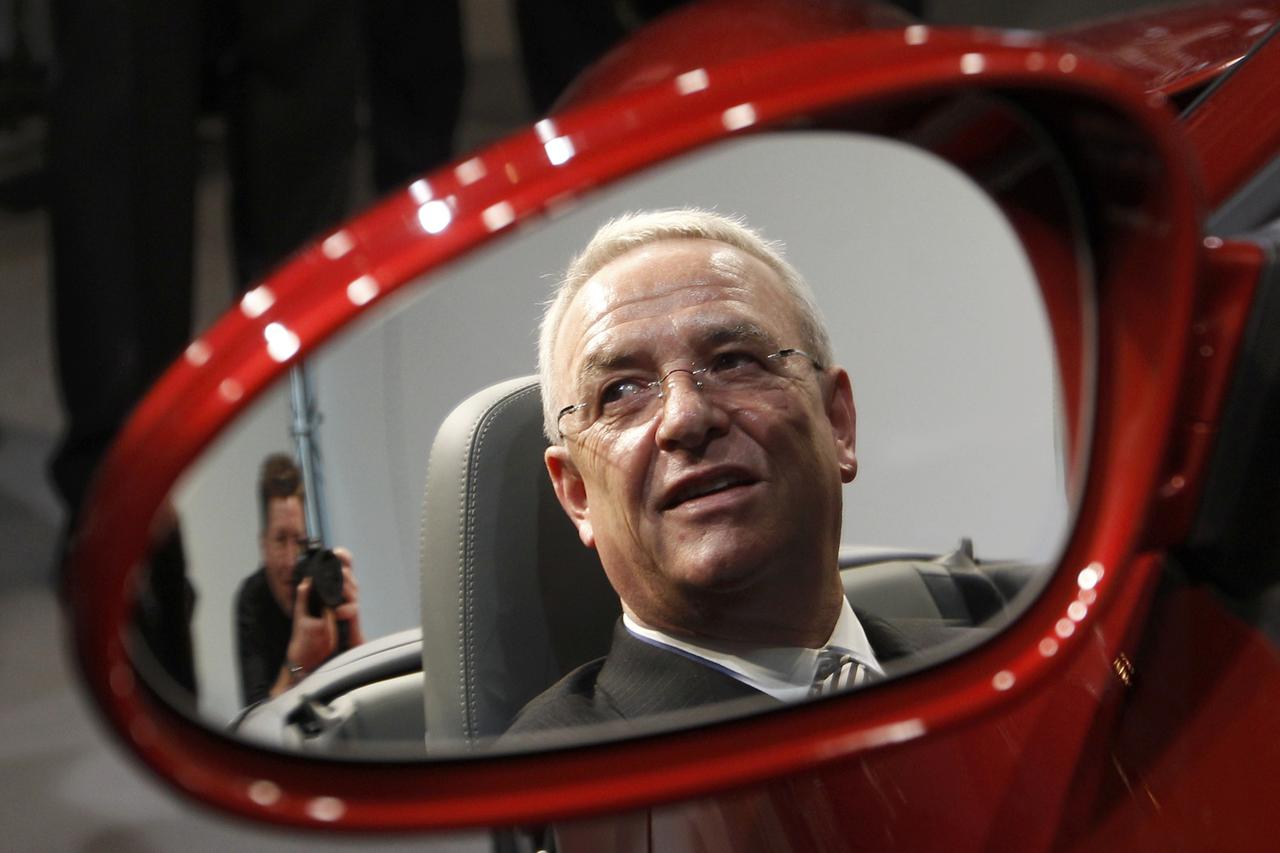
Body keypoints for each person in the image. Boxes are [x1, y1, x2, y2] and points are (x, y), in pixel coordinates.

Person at [507, 209, 964, 735]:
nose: (685, 418)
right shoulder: (546, 794)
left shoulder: (1005, 679)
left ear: (837, 423)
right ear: (576, 494)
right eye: (622, 392)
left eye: (733, 362)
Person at [234, 454, 364, 706]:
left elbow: (365, 689)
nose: (291, 560)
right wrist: (296, 662)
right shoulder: (253, 599)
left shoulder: (322, 581)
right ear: (264, 545)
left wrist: (355, 630)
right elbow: (254, 720)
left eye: (299, 540)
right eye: (280, 540)